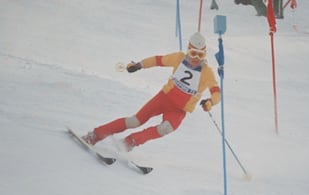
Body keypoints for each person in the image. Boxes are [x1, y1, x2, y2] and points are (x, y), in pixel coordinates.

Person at [82, 32, 221, 152]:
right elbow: (158, 60)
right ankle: (95, 135)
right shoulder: (179, 58)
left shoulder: (206, 72)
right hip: (164, 99)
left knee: (165, 128)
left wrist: (210, 102)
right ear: (188, 50)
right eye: (193, 53)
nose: (195, 58)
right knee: (135, 121)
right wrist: (139, 65)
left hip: (178, 110)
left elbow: (216, 92)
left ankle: (129, 142)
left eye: (200, 55)